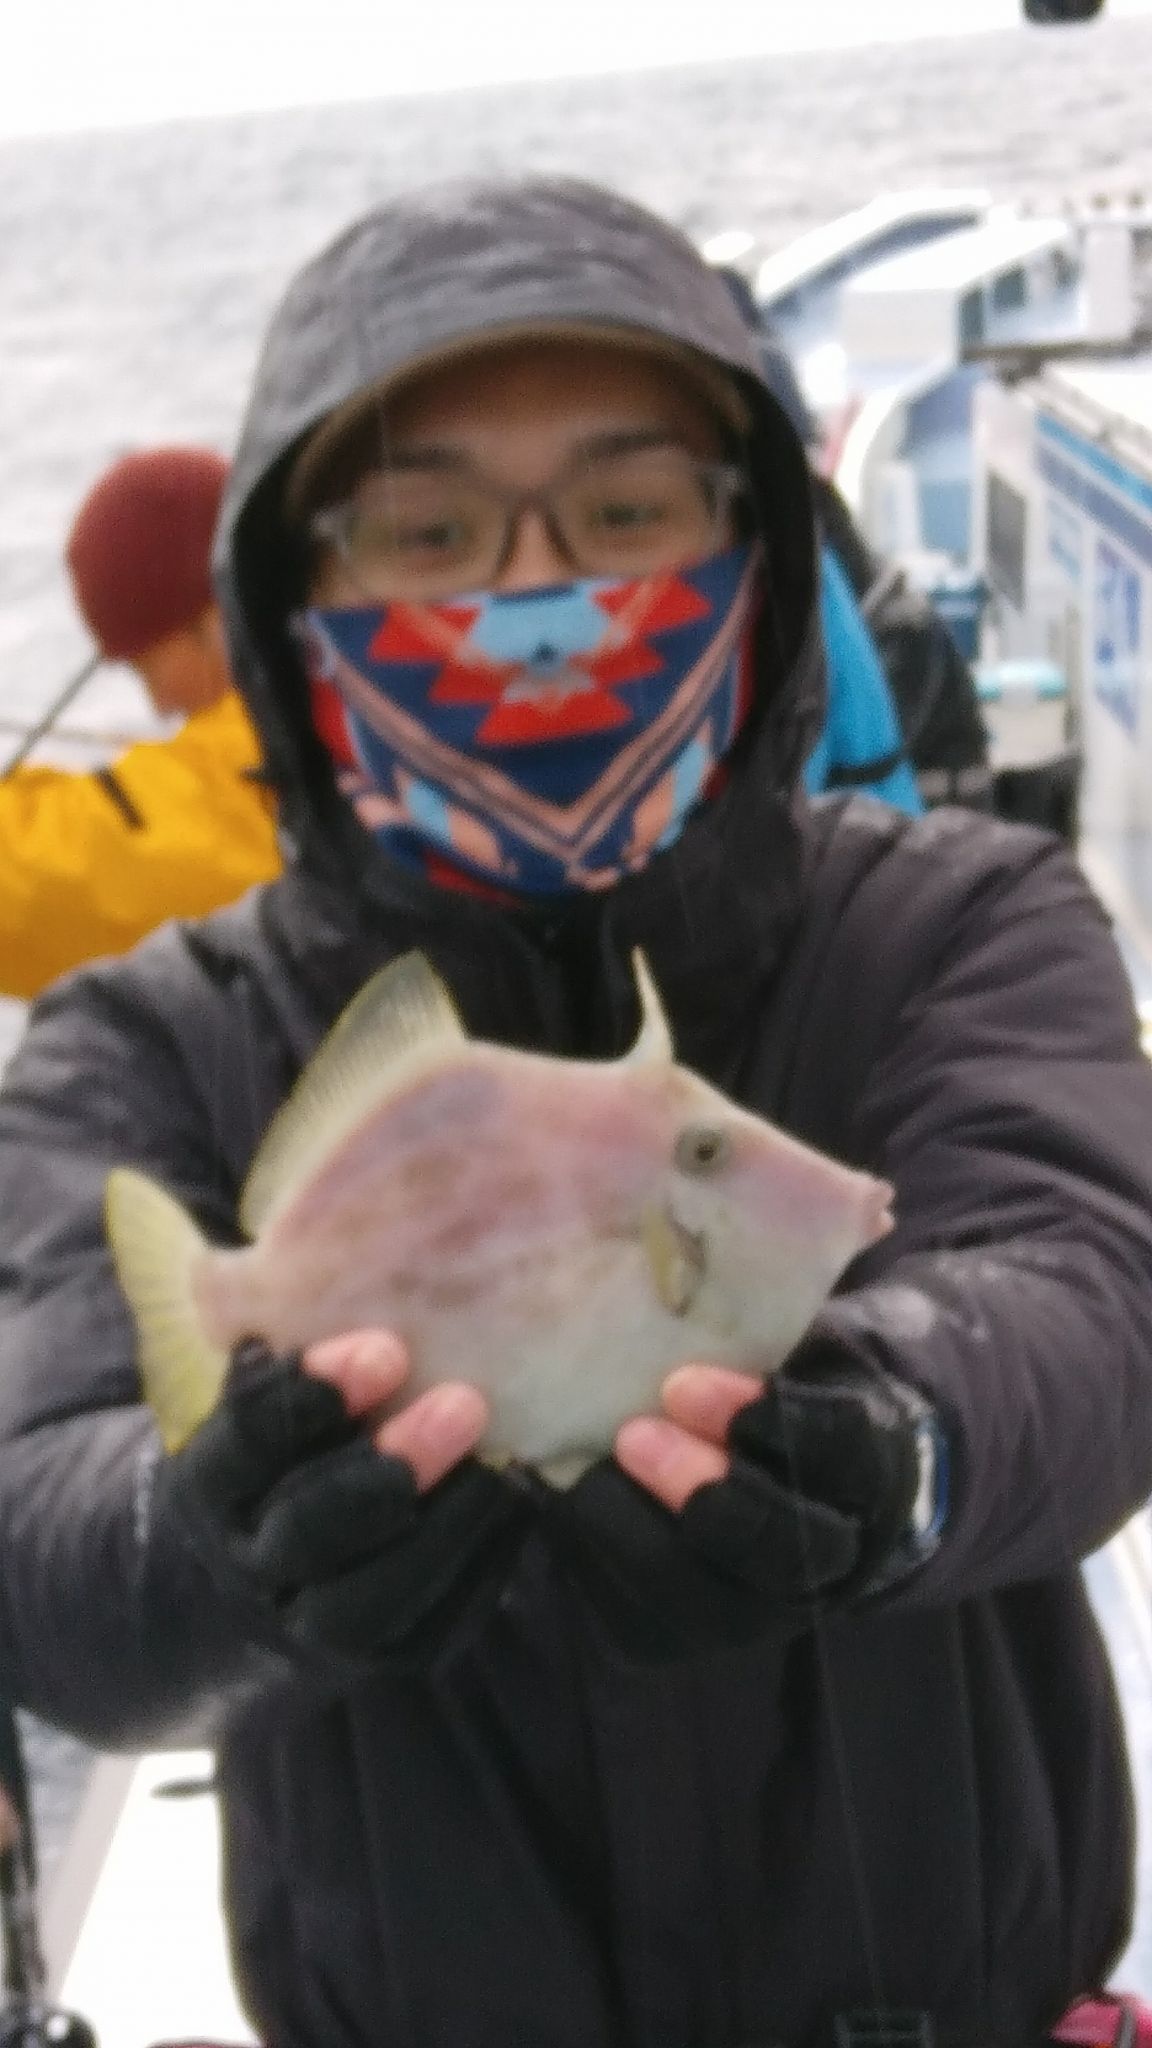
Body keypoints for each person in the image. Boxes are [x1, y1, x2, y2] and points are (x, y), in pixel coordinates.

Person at [0, 176, 1151, 2048]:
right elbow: (42, 1514)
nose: (532, 597)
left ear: (757, 550)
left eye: (624, 511)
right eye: (426, 527)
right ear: (292, 622)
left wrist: (896, 1444)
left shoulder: (963, 915)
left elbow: (1094, 1291)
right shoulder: (147, 1041)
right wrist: (226, 1542)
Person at [0, 448, 281, 998]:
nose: (159, 708)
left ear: (216, 618)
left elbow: (49, 883)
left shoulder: (265, 769)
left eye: (148, 672)